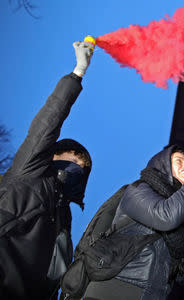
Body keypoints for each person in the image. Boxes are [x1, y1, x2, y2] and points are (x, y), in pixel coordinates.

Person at [0, 40, 94, 299]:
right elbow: (47, 124)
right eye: (72, 160)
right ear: (52, 156)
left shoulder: (65, 216)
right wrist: (78, 73)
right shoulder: (29, 172)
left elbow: (57, 271)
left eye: (82, 168)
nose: (76, 169)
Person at [83, 145, 184, 300]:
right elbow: (165, 217)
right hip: (113, 289)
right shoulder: (138, 189)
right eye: (179, 160)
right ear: (163, 166)